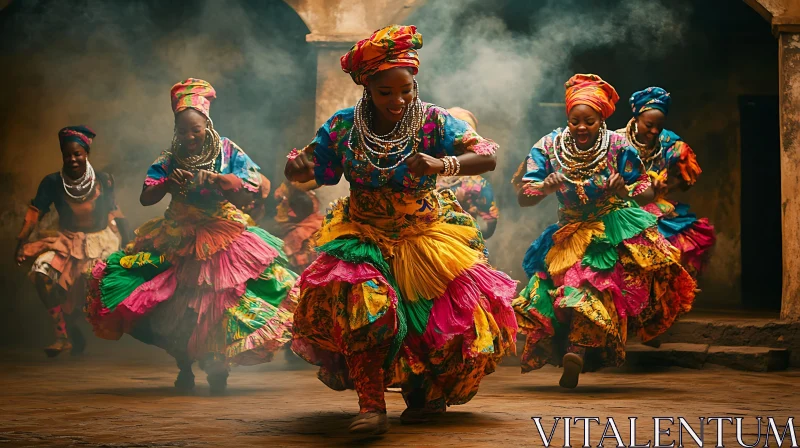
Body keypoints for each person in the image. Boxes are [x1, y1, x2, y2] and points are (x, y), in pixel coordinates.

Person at [284, 25, 517, 435]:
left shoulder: (432, 120)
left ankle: (423, 393)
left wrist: (440, 164)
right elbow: (316, 170)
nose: (399, 100)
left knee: (431, 323)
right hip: (362, 235)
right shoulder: (343, 126)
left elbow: (486, 155)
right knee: (367, 312)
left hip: (423, 235)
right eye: (386, 92)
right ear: (367, 88)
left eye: (406, 89)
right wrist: (297, 168)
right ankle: (371, 406)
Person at [85, 78, 297, 395]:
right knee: (179, 306)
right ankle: (184, 364)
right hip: (178, 236)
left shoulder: (227, 150)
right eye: (182, 131)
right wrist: (168, 183)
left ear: (207, 124)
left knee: (219, 303)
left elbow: (250, 190)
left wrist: (217, 179)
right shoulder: (170, 157)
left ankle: (217, 365)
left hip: (222, 234)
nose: (189, 136)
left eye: (195, 129)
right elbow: (146, 196)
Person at [511, 74, 696, 389]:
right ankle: (572, 350)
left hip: (610, 227)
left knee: (593, 284)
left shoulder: (618, 145)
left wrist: (625, 191)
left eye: (590, 121)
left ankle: (577, 351)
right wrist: (543, 187)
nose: (581, 127)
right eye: (575, 121)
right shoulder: (548, 145)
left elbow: (645, 192)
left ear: (602, 120)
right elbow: (523, 196)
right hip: (569, 230)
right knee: (559, 294)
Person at [15, 126, 127, 357]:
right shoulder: (52, 182)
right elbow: (35, 214)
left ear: (86, 153)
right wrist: (21, 241)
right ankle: (62, 335)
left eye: (78, 154)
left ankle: (85, 328)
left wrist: (129, 241)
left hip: (101, 242)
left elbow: (114, 212)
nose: (73, 159)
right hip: (67, 241)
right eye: (68, 155)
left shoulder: (104, 180)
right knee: (42, 274)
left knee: (95, 288)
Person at [618, 87, 715, 278]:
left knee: (662, 266)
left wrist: (666, 187)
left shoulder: (669, 143)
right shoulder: (616, 142)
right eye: (649, 125)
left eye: (659, 127)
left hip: (658, 212)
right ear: (636, 118)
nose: (654, 131)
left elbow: (688, 179)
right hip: (622, 210)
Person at [435, 108, 499, 239]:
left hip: (462, 249)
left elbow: (488, 230)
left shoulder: (478, 185)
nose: (456, 142)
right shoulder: (426, 171)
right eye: (450, 135)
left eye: (463, 137)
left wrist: (462, 209)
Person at [273, 180, 323, 271]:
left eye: (282, 204)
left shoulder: (298, 235)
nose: (277, 207)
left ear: (293, 211)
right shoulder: (318, 223)